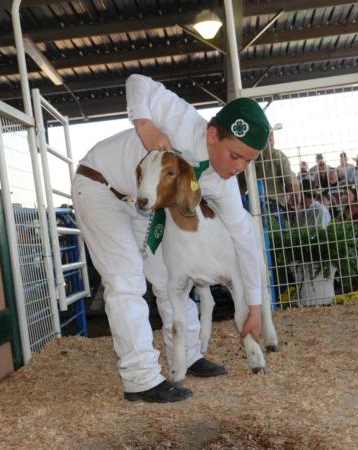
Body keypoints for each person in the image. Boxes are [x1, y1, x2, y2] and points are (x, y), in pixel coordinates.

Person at [71, 74, 271, 403]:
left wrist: (254, 306)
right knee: (125, 278)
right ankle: (140, 378)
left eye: (249, 161)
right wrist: (144, 124)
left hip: (145, 209)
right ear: (212, 135)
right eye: (235, 156)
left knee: (168, 278)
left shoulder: (223, 184)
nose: (240, 167)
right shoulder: (181, 119)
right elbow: (137, 81)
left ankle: (189, 355)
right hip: (101, 187)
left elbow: (244, 240)